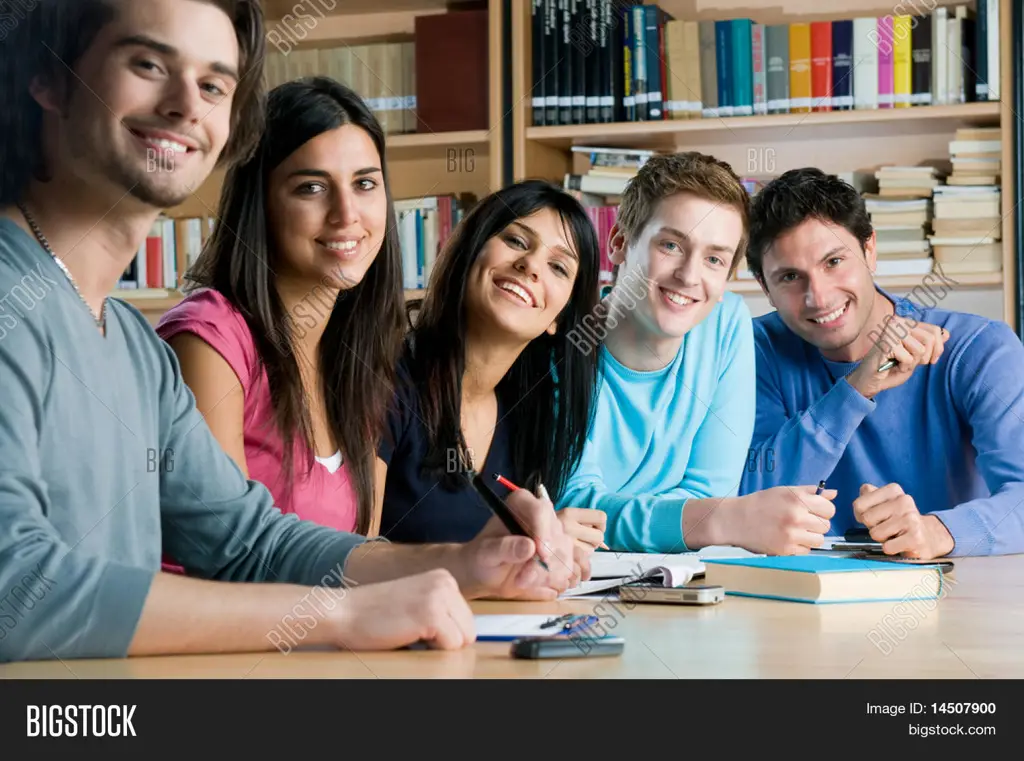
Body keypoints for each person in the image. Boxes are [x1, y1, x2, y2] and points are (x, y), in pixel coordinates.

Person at [0, 0, 572, 664]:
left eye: (215, 84)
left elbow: (250, 542)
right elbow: (17, 588)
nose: (188, 104)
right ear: (48, 78)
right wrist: (342, 613)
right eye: (149, 63)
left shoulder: (130, 345)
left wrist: (471, 562)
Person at [555, 152, 837, 555]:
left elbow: (709, 491)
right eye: (670, 245)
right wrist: (722, 520)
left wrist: (702, 518)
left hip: (679, 577)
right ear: (619, 243)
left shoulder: (725, 324)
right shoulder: (562, 340)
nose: (689, 276)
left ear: (726, 277)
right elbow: (577, 509)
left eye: (714, 259)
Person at [156, 77, 402, 538]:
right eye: (311, 188)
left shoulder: (357, 356)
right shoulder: (209, 338)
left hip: (326, 611)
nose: (346, 214)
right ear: (261, 203)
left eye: (365, 183)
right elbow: (231, 551)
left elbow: (358, 555)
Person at [740, 167, 1024, 559]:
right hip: (798, 598)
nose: (818, 297)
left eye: (834, 261)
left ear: (870, 250)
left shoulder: (979, 349)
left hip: (956, 594)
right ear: (764, 287)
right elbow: (749, 500)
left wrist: (936, 531)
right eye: (790, 276)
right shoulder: (752, 352)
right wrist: (857, 388)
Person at [376, 179, 607, 583]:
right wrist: (482, 556)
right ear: (470, 251)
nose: (531, 265)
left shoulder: (529, 417)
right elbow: (344, 555)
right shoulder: (385, 383)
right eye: (517, 241)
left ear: (558, 318)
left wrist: (537, 544)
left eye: (558, 267)